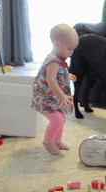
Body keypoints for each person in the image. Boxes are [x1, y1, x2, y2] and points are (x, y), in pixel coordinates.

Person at [32, 24, 79, 155]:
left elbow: (57, 75)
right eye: (69, 49)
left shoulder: (60, 59)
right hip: (46, 98)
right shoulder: (53, 61)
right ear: (57, 44)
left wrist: (67, 76)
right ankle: (48, 142)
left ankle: (57, 140)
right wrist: (61, 96)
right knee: (57, 120)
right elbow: (50, 80)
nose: (72, 52)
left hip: (54, 97)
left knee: (62, 118)